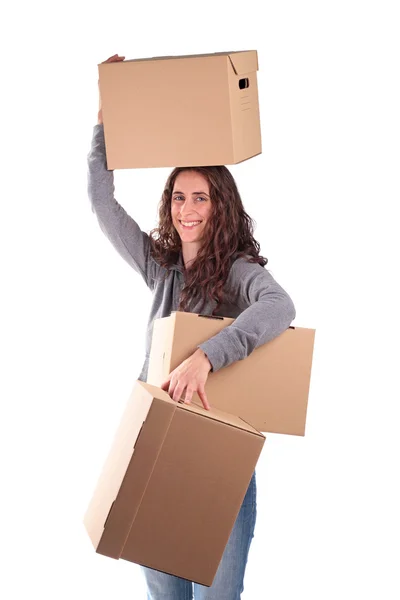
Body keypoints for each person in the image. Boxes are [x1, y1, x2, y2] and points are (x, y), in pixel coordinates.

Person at [87, 53, 296, 600]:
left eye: (200, 197)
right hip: (154, 452)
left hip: (216, 462)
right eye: (179, 197)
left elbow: (280, 308)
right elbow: (100, 201)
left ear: (220, 205)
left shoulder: (238, 273)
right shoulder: (161, 269)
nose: (187, 209)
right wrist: (105, 122)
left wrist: (208, 355)